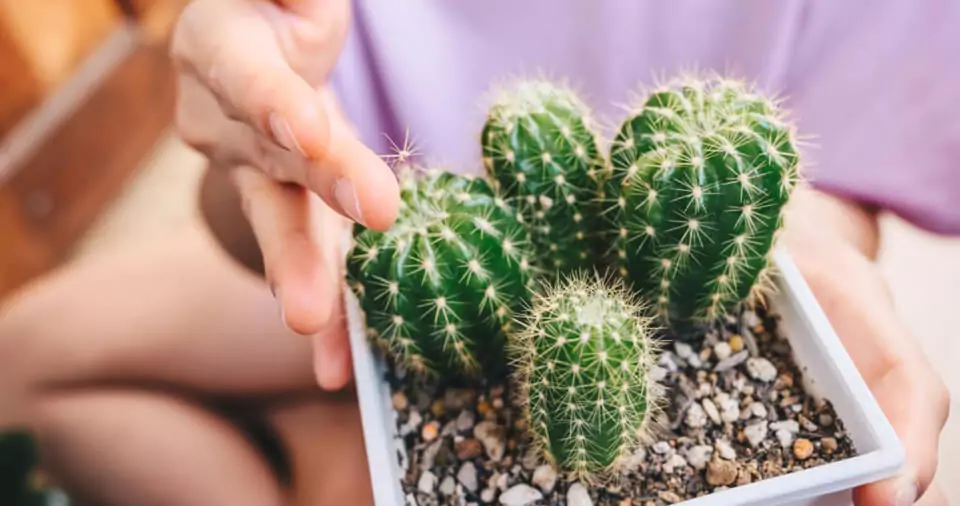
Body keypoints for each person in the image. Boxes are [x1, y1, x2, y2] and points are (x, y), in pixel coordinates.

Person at [0, 1, 956, 505]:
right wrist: (255, 140)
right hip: (408, 235)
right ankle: (310, 448)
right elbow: (251, 207)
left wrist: (808, 245)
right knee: (16, 360)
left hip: (630, 284)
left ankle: (313, 455)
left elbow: (845, 159)